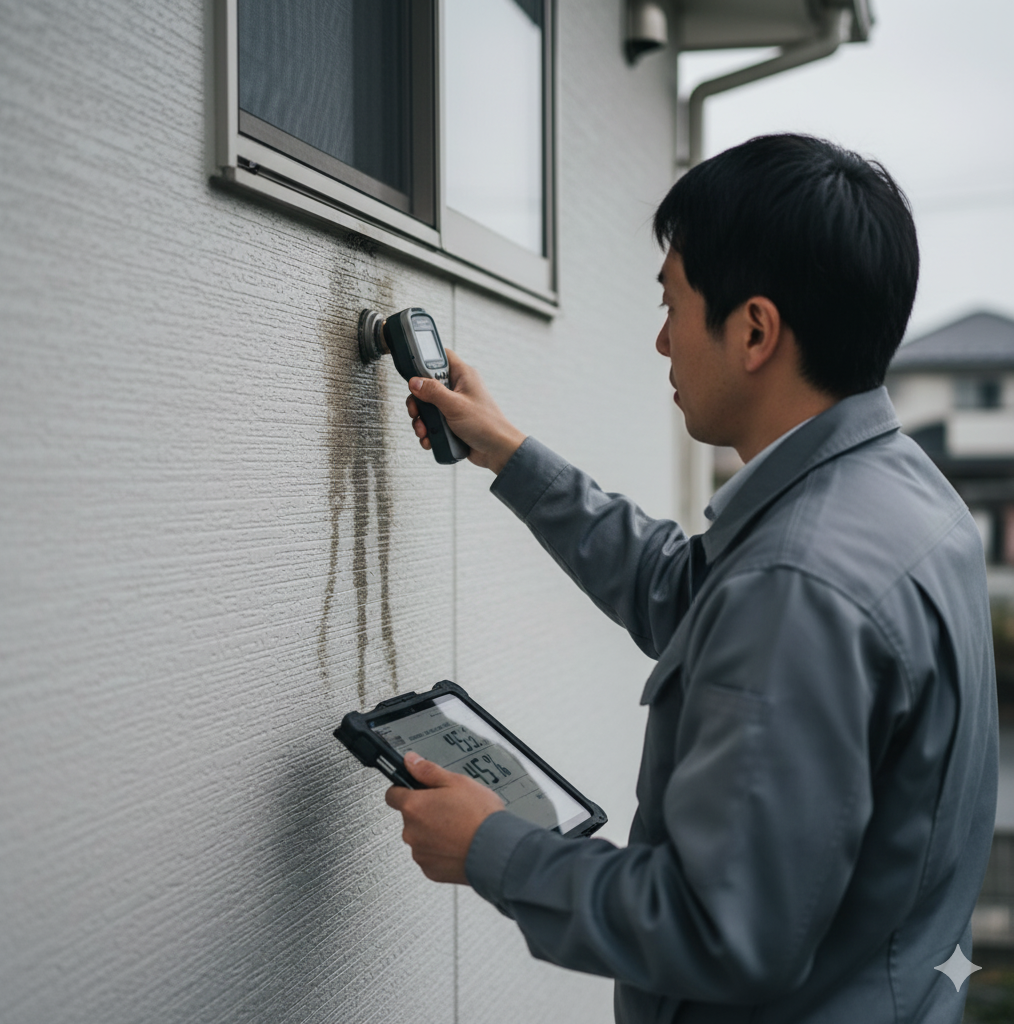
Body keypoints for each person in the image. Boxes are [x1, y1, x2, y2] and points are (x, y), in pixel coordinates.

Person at [384, 134, 998, 1023]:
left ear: (754, 330)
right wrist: (508, 452)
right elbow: (688, 591)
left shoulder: (800, 583)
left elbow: (719, 930)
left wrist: (491, 848)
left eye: (673, 303)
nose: (663, 339)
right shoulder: (904, 496)